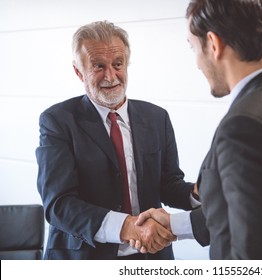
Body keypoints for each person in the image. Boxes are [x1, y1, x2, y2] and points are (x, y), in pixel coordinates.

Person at [135, 0, 262, 260]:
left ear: (213, 43)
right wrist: (175, 223)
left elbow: (257, 257)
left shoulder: (245, 127)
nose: (197, 63)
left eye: (193, 47)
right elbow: (257, 214)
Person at [35, 20, 196, 260]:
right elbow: (60, 205)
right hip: (86, 258)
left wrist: (199, 193)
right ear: (79, 71)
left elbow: (168, 185)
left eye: (118, 64)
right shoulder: (57, 121)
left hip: (151, 257)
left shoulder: (157, 117)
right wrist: (128, 226)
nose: (111, 76)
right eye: (98, 66)